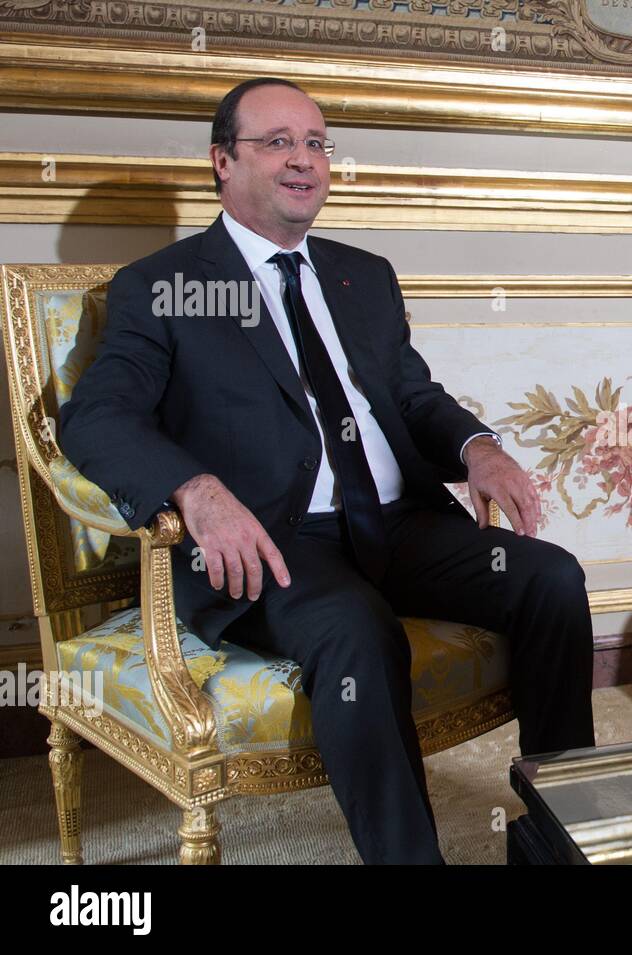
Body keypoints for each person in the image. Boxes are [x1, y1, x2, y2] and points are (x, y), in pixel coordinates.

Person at [59, 77, 595, 864]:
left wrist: (478, 446)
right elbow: (96, 418)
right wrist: (198, 492)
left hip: (395, 522)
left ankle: (559, 838)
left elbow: (414, 396)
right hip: (274, 541)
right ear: (222, 161)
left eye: (316, 143)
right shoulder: (165, 286)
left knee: (550, 577)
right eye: (277, 142)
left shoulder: (362, 274)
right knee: (356, 630)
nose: (304, 160)